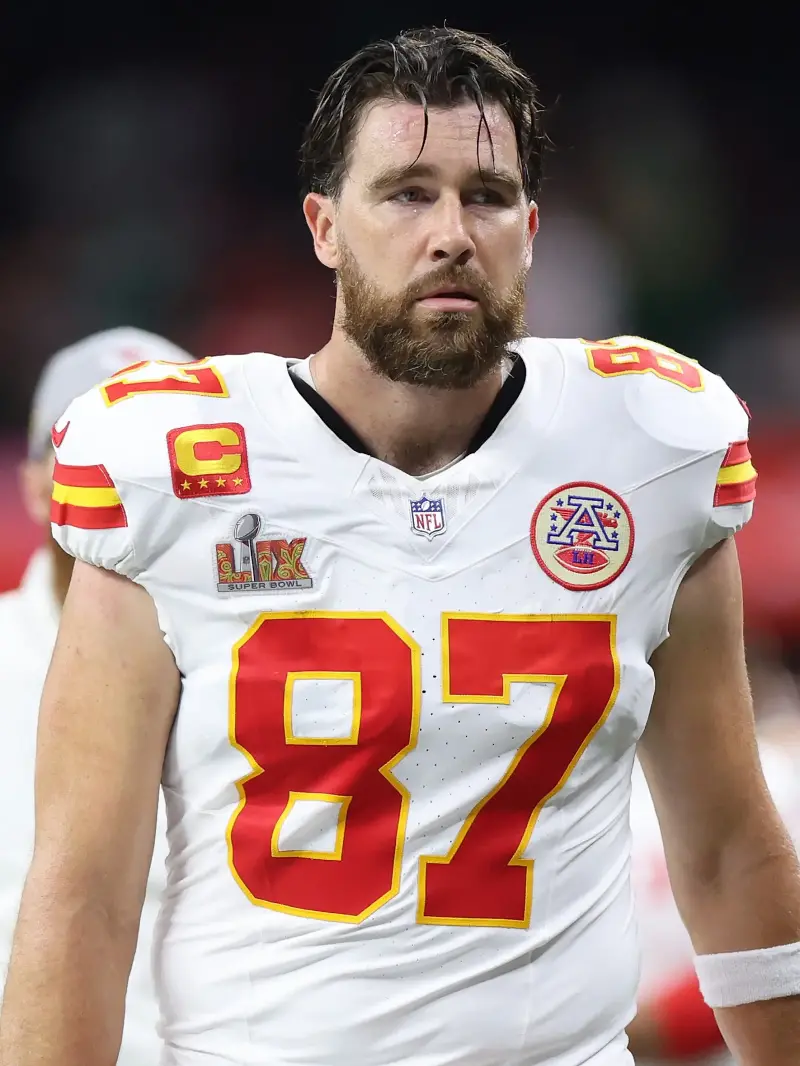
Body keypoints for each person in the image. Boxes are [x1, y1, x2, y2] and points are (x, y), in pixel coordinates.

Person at [1, 26, 799, 1066]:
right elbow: (84, 896)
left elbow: (729, 849)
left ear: (532, 228)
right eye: (407, 194)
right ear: (324, 226)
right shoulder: (173, 470)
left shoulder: (647, 446)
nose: (451, 233)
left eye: (486, 196)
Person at [0, 327, 197, 1065]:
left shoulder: (273, 667)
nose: (131, 489)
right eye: (99, 458)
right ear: (35, 485)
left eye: (160, 459)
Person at [627, 655, 800, 1064]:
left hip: (728, 1050)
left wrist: (644, 1027)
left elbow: (779, 948)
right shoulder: (590, 789)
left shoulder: (776, 780)